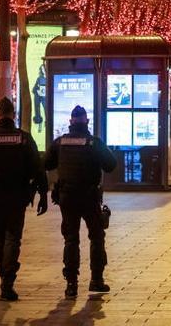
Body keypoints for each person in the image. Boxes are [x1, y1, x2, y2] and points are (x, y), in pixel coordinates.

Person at [0, 97, 48, 301]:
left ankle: (3, 274)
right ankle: (8, 279)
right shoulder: (23, 138)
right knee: (13, 236)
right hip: (18, 195)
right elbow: (38, 168)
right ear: (13, 114)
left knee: (0, 236)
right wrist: (43, 194)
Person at [46, 105, 117, 298]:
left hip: (67, 196)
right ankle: (96, 280)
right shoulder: (94, 142)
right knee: (96, 236)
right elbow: (110, 165)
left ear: (70, 122)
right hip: (89, 196)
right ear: (87, 122)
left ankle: (71, 284)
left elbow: (47, 163)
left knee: (71, 239)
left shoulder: (60, 142)